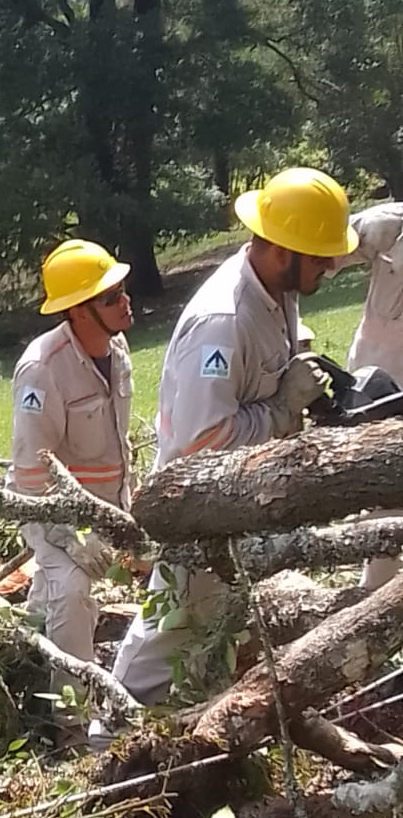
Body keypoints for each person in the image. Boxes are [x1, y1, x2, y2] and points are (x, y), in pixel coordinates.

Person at [108, 168, 356, 706]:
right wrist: (281, 407)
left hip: (240, 501)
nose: (332, 266)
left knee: (218, 637)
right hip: (196, 508)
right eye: (320, 257)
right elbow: (203, 442)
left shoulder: (277, 290)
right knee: (168, 633)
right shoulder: (222, 321)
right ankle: (106, 739)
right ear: (281, 250)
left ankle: (191, 742)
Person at [5, 239, 134, 734]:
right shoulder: (42, 369)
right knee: (75, 593)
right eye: (109, 297)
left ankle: (24, 647)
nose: (124, 301)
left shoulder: (117, 351)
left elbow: (117, 446)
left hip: (109, 510)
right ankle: (73, 732)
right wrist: (72, 539)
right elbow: (32, 473)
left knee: (55, 602)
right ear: (78, 312)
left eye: (122, 290)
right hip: (52, 517)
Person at [332, 202, 403, 589]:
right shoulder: (388, 226)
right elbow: (324, 253)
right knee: (382, 498)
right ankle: (373, 597)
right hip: (376, 395)